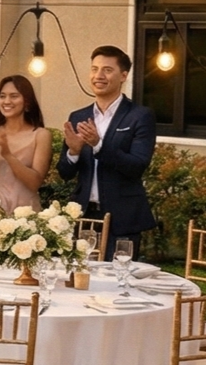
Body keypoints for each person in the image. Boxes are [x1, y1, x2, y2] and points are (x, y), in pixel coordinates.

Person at [55, 46, 158, 243]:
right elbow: (65, 173)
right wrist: (74, 152)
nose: (99, 76)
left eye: (107, 70)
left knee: (118, 273)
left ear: (123, 76)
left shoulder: (139, 116)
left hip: (122, 218)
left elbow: (137, 166)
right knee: (80, 274)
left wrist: (98, 145)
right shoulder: (78, 117)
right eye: (94, 69)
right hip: (83, 216)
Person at [0, 74, 52, 213]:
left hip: (25, 213)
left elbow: (35, 183)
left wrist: (8, 156)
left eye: (14, 96)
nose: (7, 101)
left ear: (27, 102)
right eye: (2, 96)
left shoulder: (40, 135)